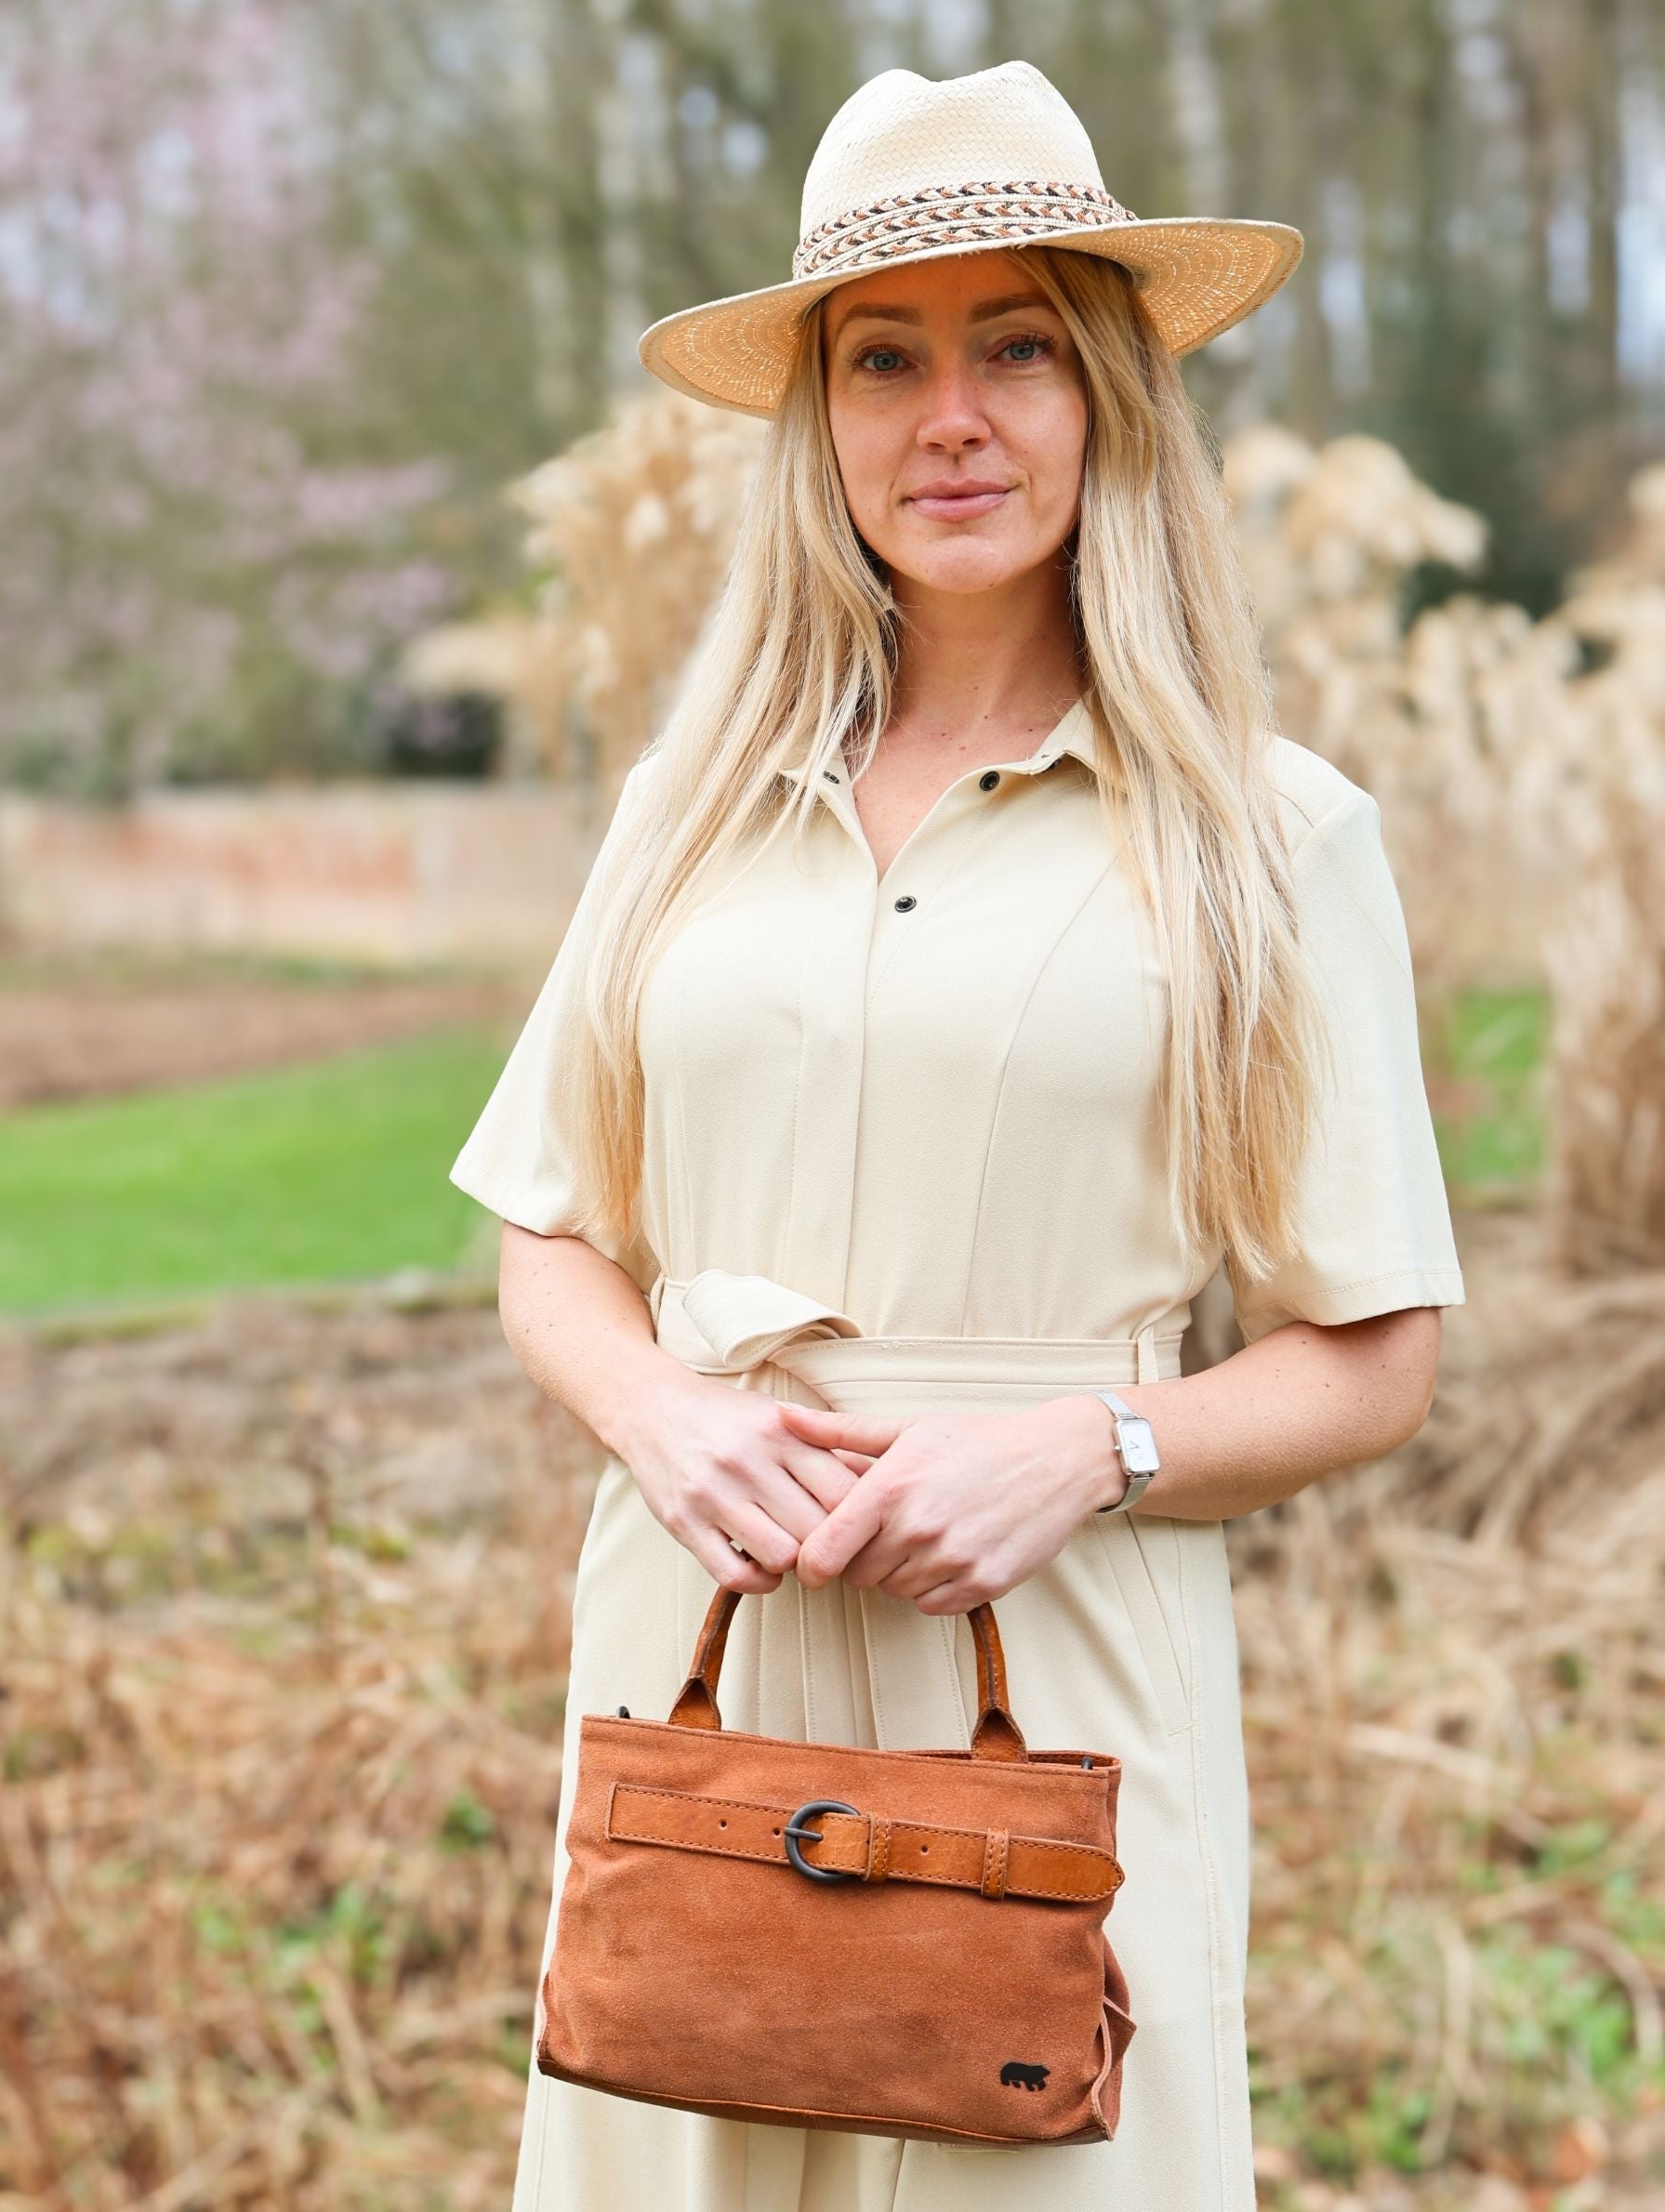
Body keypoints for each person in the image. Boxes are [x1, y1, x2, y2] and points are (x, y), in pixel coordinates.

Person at [449, 59, 1464, 2212]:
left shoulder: (1268, 842)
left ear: (1103, 391)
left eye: (1014, 345)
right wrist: (658, 1413)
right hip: (694, 1661)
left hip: (1048, 1667)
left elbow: (1372, 1350)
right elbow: (548, 1232)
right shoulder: (684, 809)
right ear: (816, 417)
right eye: (885, 358)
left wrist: (1079, 1443)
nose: (952, 419)